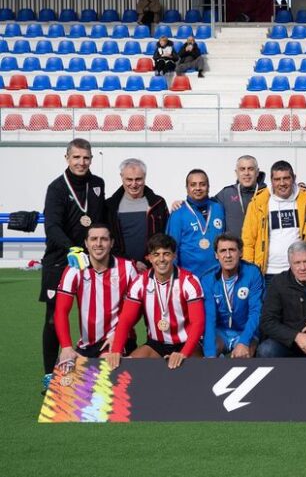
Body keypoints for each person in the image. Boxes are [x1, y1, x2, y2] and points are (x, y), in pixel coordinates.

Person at [41, 139, 108, 377]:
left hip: (92, 262)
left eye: (86, 158)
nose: (81, 162)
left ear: (91, 159)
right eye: (76, 157)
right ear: (67, 158)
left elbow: (101, 221)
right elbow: (52, 226)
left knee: (94, 315)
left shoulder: (98, 184)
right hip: (60, 261)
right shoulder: (57, 188)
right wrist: (73, 249)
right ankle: (50, 375)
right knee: (53, 319)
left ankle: (93, 369)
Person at [106, 234, 205, 370]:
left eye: (166, 254)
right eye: (156, 254)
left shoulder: (189, 281)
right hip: (155, 345)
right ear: (150, 258)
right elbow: (126, 319)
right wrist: (116, 350)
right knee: (125, 368)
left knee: (198, 373)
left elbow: (198, 323)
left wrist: (183, 353)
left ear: (174, 256)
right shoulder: (140, 282)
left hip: (186, 343)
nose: (161, 259)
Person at [54, 224, 138, 365]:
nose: (98, 244)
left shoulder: (128, 268)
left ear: (111, 243)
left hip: (118, 339)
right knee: (67, 375)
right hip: (87, 344)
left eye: (104, 239)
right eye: (93, 239)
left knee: (103, 371)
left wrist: (118, 334)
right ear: (86, 243)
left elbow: (137, 309)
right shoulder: (74, 269)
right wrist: (66, 346)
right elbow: (61, 311)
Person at [241, 160, 306, 279]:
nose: (282, 183)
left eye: (286, 178)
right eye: (277, 179)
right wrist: (249, 271)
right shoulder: (259, 203)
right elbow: (248, 240)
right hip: (267, 271)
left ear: (294, 178)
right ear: (271, 181)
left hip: (298, 271)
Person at [200, 234, 264, 358]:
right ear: (216, 255)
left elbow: (256, 312)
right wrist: (209, 356)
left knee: (243, 356)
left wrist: (244, 341)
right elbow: (209, 318)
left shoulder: (252, 273)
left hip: (246, 331)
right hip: (221, 332)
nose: (228, 255)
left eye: (232, 250)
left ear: (240, 252)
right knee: (210, 351)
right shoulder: (208, 278)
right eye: (223, 251)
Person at [105, 158, 168, 272]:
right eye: (129, 179)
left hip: (151, 269)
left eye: (138, 179)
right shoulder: (110, 206)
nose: (133, 184)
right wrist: (131, 263)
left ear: (145, 177)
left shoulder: (158, 204)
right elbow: (109, 242)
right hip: (120, 270)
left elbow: (165, 237)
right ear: (121, 177)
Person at [165, 169, 225, 277]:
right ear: (187, 188)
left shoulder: (218, 208)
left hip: (216, 276)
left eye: (202, 184)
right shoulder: (178, 212)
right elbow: (171, 248)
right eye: (193, 185)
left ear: (208, 186)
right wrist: (173, 277)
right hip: (188, 276)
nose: (198, 188)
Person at [213, 155, 265, 237]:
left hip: (260, 248)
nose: (246, 173)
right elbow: (204, 203)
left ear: (257, 172)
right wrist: (185, 204)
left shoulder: (268, 193)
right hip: (234, 249)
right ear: (236, 173)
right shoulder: (226, 193)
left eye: (250, 169)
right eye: (242, 169)